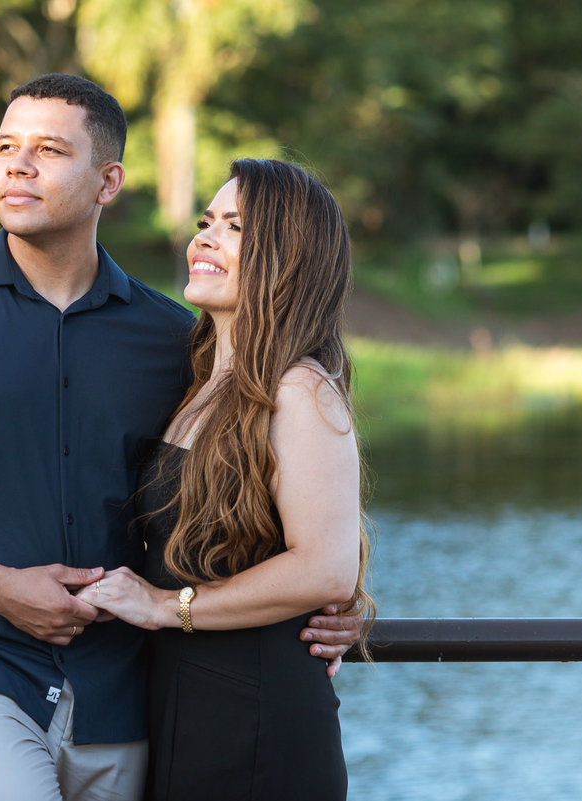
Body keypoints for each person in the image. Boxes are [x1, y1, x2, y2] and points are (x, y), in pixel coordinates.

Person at [0, 74, 361, 801]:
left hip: (129, 692)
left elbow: (276, 502)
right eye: (6, 147)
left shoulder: (178, 343)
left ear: (109, 182)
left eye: (48, 149)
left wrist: (338, 599)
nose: (18, 165)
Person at [75, 158, 376, 801]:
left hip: (258, 718)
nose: (204, 240)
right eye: (206, 221)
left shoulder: (298, 389)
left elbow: (325, 570)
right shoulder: (200, 383)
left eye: (235, 227)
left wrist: (165, 608)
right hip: (180, 705)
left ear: (288, 259)